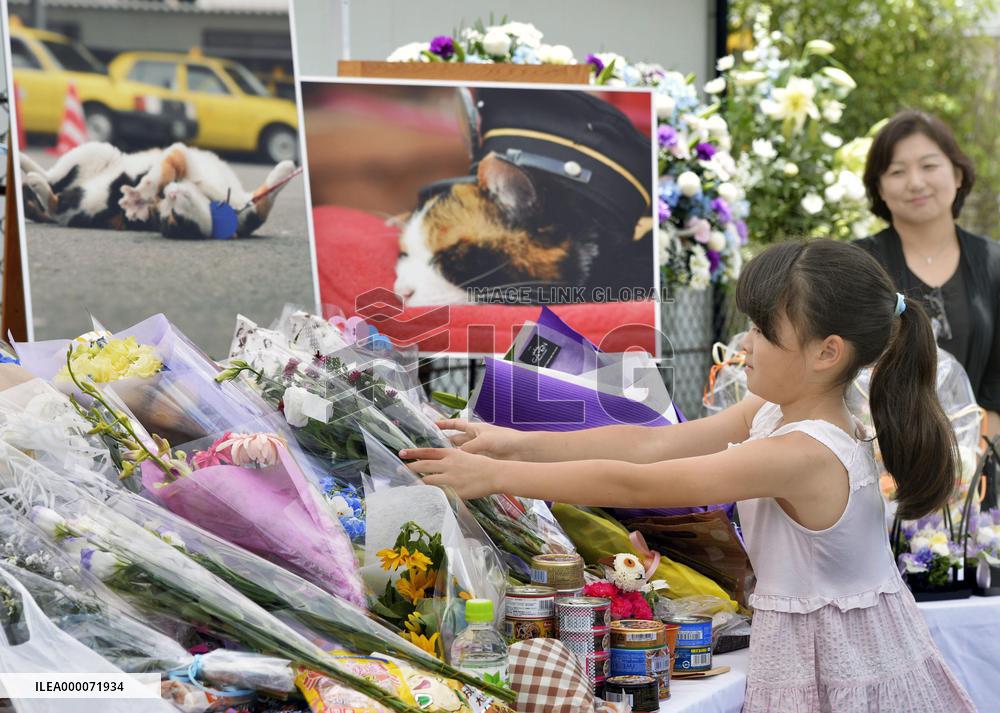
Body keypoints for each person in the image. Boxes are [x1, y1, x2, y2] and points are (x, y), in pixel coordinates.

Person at [401, 239, 976, 712]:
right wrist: (514, 443)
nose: (745, 346)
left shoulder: (803, 451)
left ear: (827, 353)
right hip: (830, 645)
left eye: (763, 332)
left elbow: (639, 485)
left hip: (839, 658)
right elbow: (652, 443)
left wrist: (496, 474)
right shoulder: (776, 411)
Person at [857, 109, 1000, 435]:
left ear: (958, 174)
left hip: (975, 463)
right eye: (897, 171)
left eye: (929, 166)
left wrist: (965, 448)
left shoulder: (994, 263)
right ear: (878, 187)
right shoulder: (857, 263)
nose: (915, 183)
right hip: (878, 460)